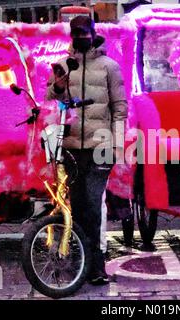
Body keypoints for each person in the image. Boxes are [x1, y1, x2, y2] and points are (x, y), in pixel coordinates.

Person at [46, 15, 128, 285]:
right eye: (76, 33)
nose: (81, 37)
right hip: (71, 148)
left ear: (94, 33)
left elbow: (119, 108)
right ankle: (83, 262)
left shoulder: (109, 67)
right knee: (78, 207)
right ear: (71, 35)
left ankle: (97, 265)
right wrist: (57, 89)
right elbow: (50, 103)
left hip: (100, 147)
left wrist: (117, 144)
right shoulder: (61, 66)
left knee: (93, 204)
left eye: (85, 32)